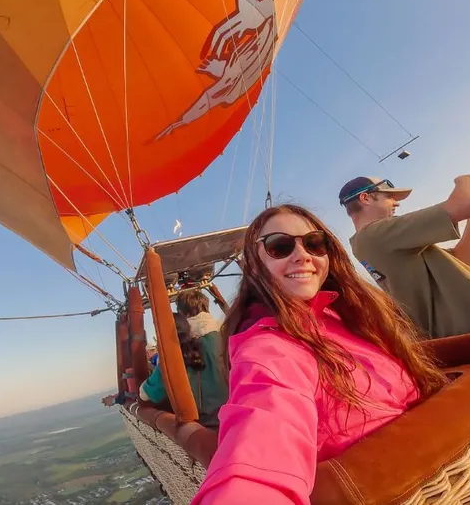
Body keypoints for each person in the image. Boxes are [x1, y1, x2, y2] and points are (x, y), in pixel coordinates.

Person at [191, 204, 446, 504]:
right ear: (254, 266)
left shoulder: (348, 315)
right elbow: (262, 445)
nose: (303, 255)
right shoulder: (269, 348)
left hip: (450, 472)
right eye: (280, 247)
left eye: (314, 242)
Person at [340, 175, 470, 339]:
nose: (396, 203)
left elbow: (463, 260)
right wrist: (467, 179)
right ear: (365, 198)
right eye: (389, 197)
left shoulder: (375, 241)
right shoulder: (375, 235)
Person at [139, 312, 228, 428]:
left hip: (206, 426)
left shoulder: (169, 361)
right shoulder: (213, 341)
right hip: (232, 416)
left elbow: (144, 394)